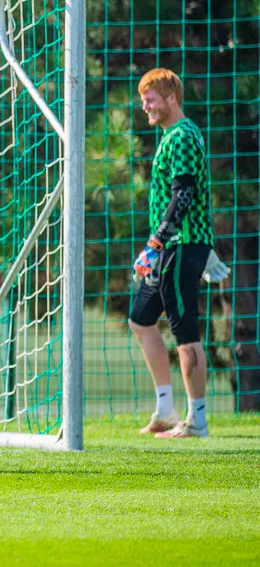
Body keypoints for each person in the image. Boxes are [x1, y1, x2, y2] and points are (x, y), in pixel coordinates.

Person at [129, 69, 229, 438]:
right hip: (171, 246)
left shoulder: (184, 136)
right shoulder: (172, 136)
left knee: (186, 335)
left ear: (171, 97)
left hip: (180, 247)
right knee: (140, 320)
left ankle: (197, 422)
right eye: (143, 100)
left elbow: (183, 196)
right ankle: (165, 410)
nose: (145, 107)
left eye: (151, 99)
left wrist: (156, 245)